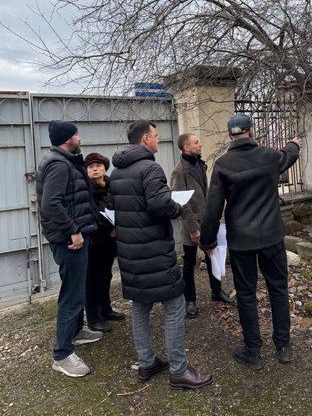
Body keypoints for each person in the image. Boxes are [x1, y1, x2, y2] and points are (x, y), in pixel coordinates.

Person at [110, 120, 212, 389]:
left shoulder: (117, 172)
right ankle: (179, 370)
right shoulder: (150, 168)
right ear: (145, 139)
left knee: (140, 305)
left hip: (130, 252)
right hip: (153, 250)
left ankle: (146, 362)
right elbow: (159, 205)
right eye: (155, 135)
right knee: (175, 304)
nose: (158, 139)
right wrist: (176, 207)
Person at [200, 114, 302, 371]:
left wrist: (207, 241)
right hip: (272, 236)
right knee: (278, 289)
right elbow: (288, 156)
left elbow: (213, 208)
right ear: (251, 131)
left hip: (241, 241)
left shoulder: (223, 165)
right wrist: (294, 144)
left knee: (246, 295)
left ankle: (253, 351)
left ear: (230, 135)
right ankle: (283, 346)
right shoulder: (269, 157)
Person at [36, 120, 102, 378]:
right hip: (69, 239)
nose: (79, 137)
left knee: (76, 288)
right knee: (72, 295)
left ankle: (75, 332)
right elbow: (50, 204)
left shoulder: (66, 160)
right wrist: (73, 229)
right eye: (76, 134)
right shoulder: (59, 165)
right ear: (68, 139)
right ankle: (62, 354)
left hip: (74, 235)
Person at [171, 132, 234, 318]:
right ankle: (190, 300)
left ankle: (217, 291)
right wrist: (193, 228)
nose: (200, 144)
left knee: (212, 256)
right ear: (186, 147)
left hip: (207, 221)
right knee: (189, 263)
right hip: (191, 224)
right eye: (196, 142)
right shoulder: (179, 170)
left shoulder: (199, 164)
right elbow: (181, 203)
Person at [84, 152, 126, 333]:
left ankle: (106, 310)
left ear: (105, 168)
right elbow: (88, 215)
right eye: (91, 167)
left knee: (106, 275)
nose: (95, 169)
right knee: (92, 280)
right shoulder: (86, 189)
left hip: (110, 241)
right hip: (94, 241)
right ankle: (93, 318)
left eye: (98, 166)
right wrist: (108, 227)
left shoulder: (111, 186)